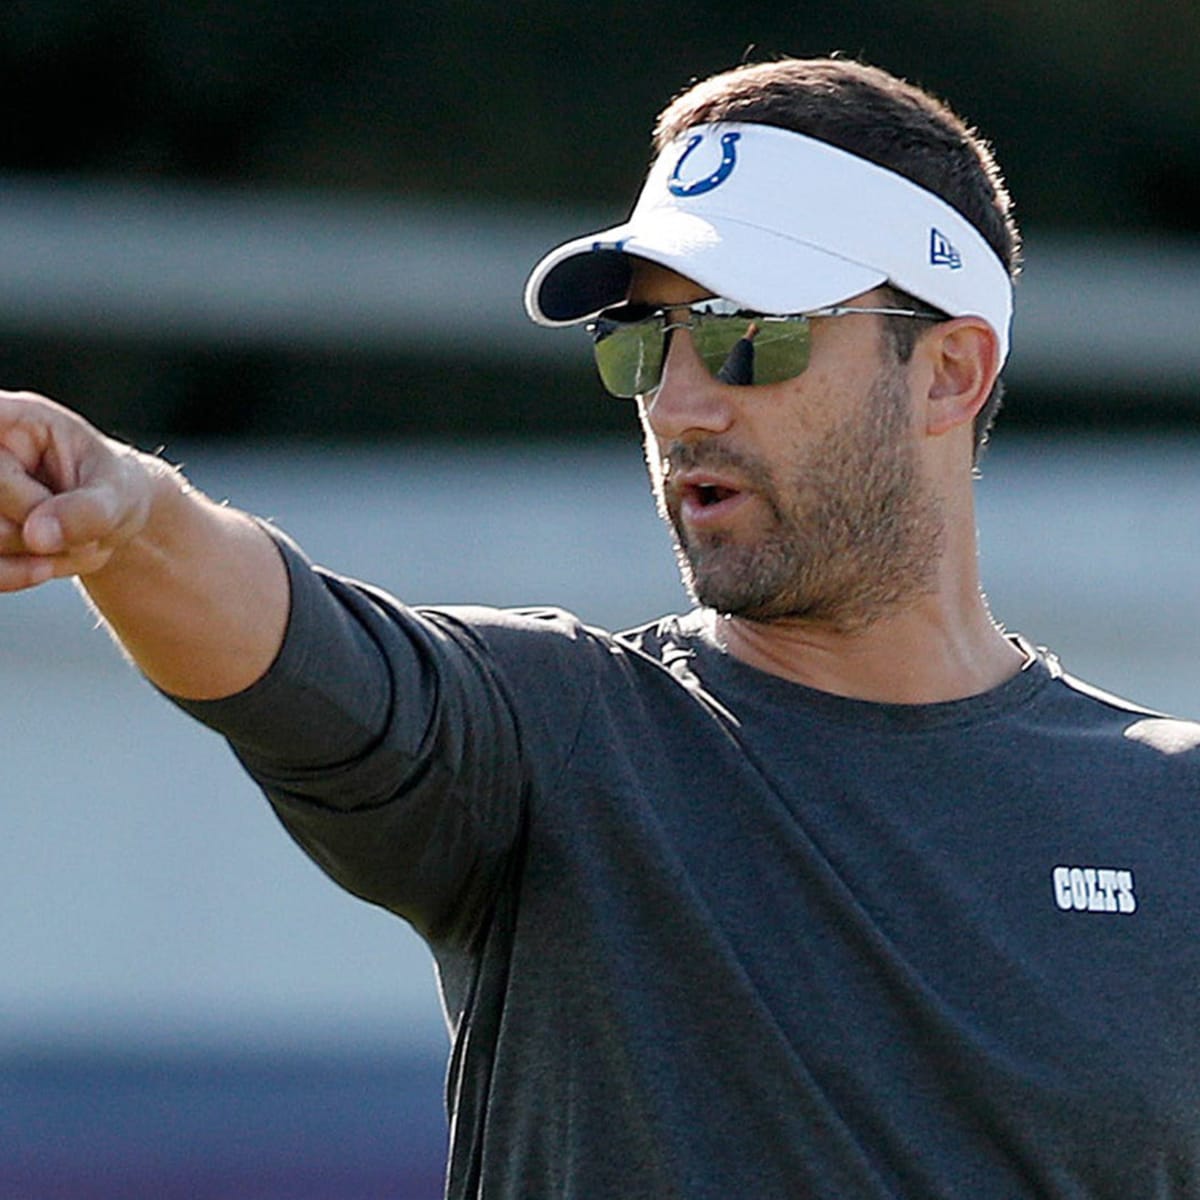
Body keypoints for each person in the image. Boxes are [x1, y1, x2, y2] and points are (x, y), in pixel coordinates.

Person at [2, 55, 1198, 1199]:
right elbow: (306, 651)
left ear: (949, 372)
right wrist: (133, 523)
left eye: (745, 333)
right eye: (640, 338)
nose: (677, 402)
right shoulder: (559, 739)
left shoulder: (1174, 817)